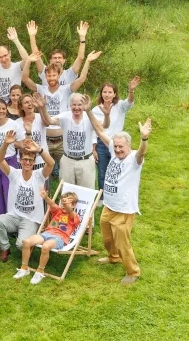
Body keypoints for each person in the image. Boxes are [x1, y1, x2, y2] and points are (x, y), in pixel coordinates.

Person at [83, 95, 151, 284]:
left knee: (123, 242)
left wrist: (144, 138)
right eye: (117, 146)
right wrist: (89, 111)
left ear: (129, 146)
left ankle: (133, 272)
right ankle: (113, 257)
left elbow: (142, 152)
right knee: (107, 239)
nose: (118, 150)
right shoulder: (113, 149)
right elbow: (98, 128)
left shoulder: (134, 160)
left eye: (122, 147)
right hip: (109, 206)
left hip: (124, 209)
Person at [22, 51, 101, 175]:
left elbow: (81, 79)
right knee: (44, 173)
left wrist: (88, 61)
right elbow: (25, 79)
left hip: (62, 140)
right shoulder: (41, 89)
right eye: (49, 76)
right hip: (46, 140)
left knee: (65, 173)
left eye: (54, 75)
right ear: (45, 77)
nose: (51, 78)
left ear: (59, 76)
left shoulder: (66, 89)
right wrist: (28, 62)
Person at [0, 132, 54, 262]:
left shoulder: (39, 175)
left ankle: (25, 243)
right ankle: (5, 248)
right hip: (14, 216)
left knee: (21, 245)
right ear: (20, 161)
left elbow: (51, 163)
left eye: (30, 160)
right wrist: (6, 143)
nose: (27, 162)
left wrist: (39, 150)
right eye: (25, 159)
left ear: (34, 162)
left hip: (31, 220)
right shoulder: (14, 174)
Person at [37, 92, 108, 189]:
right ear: (70, 105)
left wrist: (107, 115)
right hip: (68, 160)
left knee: (86, 193)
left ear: (84, 105)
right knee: (66, 192)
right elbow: (49, 121)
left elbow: (105, 125)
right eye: (74, 105)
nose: (77, 108)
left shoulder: (90, 117)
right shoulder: (65, 117)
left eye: (79, 105)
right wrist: (43, 107)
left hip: (86, 161)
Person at [14, 188, 80, 284]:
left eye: (67, 203)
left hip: (59, 238)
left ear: (73, 205)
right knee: (26, 242)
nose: (63, 205)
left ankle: (40, 271)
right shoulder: (58, 211)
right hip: (46, 234)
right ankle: (24, 268)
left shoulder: (74, 216)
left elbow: (70, 212)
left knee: (45, 247)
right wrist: (45, 197)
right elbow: (52, 204)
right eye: (62, 203)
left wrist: (67, 205)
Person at [92, 76, 141, 205]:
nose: (107, 94)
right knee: (102, 172)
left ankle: (118, 193)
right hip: (102, 144)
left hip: (117, 144)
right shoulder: (96, 110)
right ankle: (102, 197)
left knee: (118, 170)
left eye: (110, 92)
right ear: (101, 93)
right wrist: (93, 148)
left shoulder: (120, 106)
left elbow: (129, 102)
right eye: (104, 92)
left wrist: (131, 90)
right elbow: (94, 129)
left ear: (114, 94)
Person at [27, 20, 89, 86]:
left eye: (59, 58)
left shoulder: (70, 73)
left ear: (64, 60)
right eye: (54, 58)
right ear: (50, 60)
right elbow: (36, 55)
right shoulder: (45, 72)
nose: (57, 60)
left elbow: (80, 57)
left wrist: (82, 37)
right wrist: (32, 36)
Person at [16, 93, 49, 170]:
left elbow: (47, 123)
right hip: (24, 161)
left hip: (41, 160)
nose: (30, 104)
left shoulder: (40, 117)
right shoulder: (17, 123)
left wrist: (40, 107)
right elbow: (14, 143)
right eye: (26, 102)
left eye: (31, 101)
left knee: (42, 182)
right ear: (21, 107)